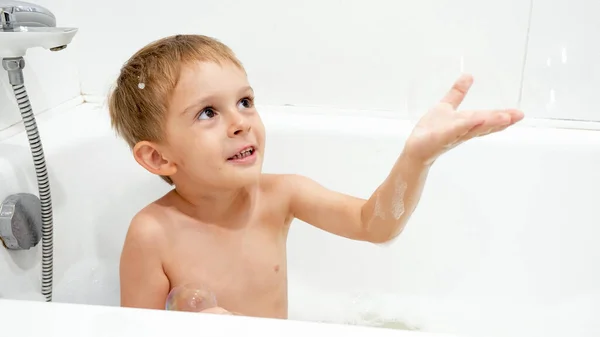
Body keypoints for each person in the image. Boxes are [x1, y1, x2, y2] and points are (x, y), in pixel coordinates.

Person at [108, 34, 523, 318]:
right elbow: (133, 330)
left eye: (246, 101)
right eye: (208, 112)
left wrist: (417, 158)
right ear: (159, 159)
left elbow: (373, 224)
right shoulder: (152, 234)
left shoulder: (281, 195)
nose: (240, 122)